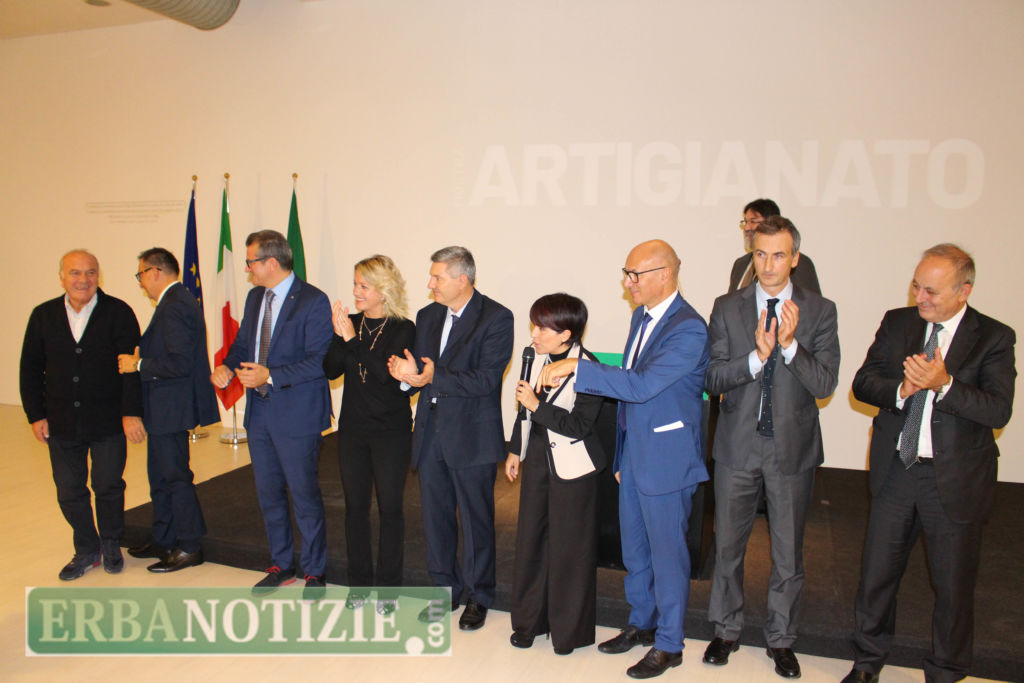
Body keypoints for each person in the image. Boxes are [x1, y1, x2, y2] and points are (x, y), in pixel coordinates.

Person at [843, 244, 1016, 683]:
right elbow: (864, 383)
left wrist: (945, 384)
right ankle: (867, 662)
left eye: (931, 291)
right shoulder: (898, 322)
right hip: (897, 471)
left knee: (953, 586)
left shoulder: (994, 337)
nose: (920, 297)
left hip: (953, 481)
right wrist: (902, 390)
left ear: (964, 291)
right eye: (916, 286)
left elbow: (998, 410)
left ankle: (946, 670)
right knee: (877, 576)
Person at [539, 239, 709, 679]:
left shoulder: (689, 329)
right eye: (626, 273)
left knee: (668, 556)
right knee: (635, 550)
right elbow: (631, 393)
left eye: (636, 274)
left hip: (667, 460)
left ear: (664, 275)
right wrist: (621, 453)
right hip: (634, 455)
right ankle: (642, 622)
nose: (628, 282)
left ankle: (669, 644)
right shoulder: (641, 317)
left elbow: (641, 385)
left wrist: (576, 367)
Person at [703, 217, 840, 678]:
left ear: (795, 258)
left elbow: (825, 384)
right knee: (728, 547)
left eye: (779, 255)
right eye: (760, 254)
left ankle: (781, 639)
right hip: (737, 446)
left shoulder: (820, 311)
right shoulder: (728, 307)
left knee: (787, 554)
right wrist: (756, 357)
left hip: (792, 450)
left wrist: (789, 347)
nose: (768, 265)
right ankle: (725, 630)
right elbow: (712, 377)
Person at [387, 246, 513, 631]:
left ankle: (478, 596)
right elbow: (422, 372)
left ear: (463, 279)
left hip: (472, 435)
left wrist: (431, 376)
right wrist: (407, 377)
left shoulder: (496, 317)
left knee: (476, 521)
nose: (430, 284)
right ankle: (444, 590)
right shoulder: (428, 316)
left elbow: (486, 380)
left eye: (437, 277)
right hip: (430, 433)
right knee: (436, 518)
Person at [211, 230, 333, 599]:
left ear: (271, 263)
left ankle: (315, 571)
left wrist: (271, 376)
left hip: (297, 414)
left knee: (304, 495)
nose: (247, 269)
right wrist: (227, 366)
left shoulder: (313, 300)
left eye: (251, 262)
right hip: (260, 413)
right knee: (268, 494)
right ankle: (281, 565)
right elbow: (243, 345)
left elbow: (320, 361)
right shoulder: (255, 298)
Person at [19, 249, 145, 580]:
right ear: (62, 277)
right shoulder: (43, 315)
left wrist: (131, 413)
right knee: (69, 490)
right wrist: (35, 414)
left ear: (98, 276)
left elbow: (131, 369)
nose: (83, 280)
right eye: (75, 273)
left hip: (108, 420)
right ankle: (87, 547)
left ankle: (111, 543)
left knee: (108, 485)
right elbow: (30, 368)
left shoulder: (118, 312)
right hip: (60, 422)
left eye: (90, 272)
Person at [505, 293, 606, 656]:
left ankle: (568, 632)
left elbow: (578, 425)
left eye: (542, 328)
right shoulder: (534, 357)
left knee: (569, 551)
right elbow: (523, 410)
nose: (533, 334)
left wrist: (536, 406)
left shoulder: (589, 368)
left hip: (575, 469)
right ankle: (529, 623)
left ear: (566, 334)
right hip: (538, 461)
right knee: (531, 542)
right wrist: (516, 449)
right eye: (534, 325)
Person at [323, 255, 415, 615]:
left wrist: (351, 340)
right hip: (353, 431)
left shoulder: (403, 328)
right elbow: (330, 370)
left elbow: (384, 374)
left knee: (390, 509)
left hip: (391, 433)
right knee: (355, 509)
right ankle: (358, 584)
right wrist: (339, 335)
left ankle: (388, 589)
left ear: (383, 290)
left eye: (364, 285)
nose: (356, 291)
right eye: (355, 284)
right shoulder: (352, 324)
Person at [118, 248, 220, 572]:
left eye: (141, 275)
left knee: (175, 478)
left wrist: (138, 364)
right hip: (163, 409)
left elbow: (180, 363)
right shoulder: (175, 302)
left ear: (155, 271)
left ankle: (189, 546)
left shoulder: (175, 305)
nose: (140, 283)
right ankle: (164, 539)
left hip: (171, 409)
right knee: (160, 478)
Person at [728, 198, 820, 294]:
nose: (747, 228)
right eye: (745, 222)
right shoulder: (740, 264)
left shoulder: (799, 262)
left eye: (753, 222)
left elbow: (811, 301)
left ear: (771, 223)